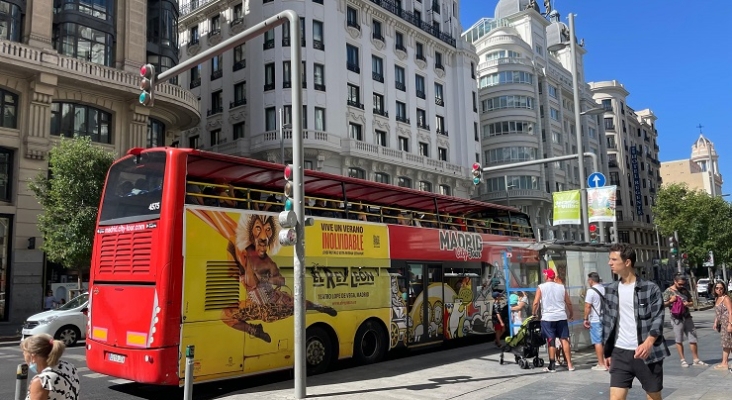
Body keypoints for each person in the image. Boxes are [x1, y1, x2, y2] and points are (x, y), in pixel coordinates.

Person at [602, 243, 669, 400]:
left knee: (653, 396)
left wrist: (648, 343)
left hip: (646, 353)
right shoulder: (611, 289)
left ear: (627, 262)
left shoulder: (650, 289)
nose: (609, 263)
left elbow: (658, 318)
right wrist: (608, 351)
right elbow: (608, 322)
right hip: (620, 353)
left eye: (613, 259)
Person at [532, 268, 574, 372]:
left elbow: (536, 302)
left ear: (546, 276)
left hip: (548, 318)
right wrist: (571, 313)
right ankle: (570, 365)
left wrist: (534, 313)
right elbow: (568, 302)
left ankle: (552, 366)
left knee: (551, 341)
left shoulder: (541, 287)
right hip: (561, 317)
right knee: (564, 339)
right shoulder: (561, 287)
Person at [663, 272, 707, 367]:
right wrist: (670, 301)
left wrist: (688, 304)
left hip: (687, 317)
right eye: (680, 284)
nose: (681, 286)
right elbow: (662, 304)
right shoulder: (668, 291)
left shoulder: (684, 290)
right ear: (675, 281)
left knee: (693, 338)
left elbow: (692, 302)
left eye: (683, 284)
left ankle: (696, 359)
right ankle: (682, 360)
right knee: (679, 339)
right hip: (676, 319)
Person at [21, 333, 80, 400]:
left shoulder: (41, 381)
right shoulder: (68, 366)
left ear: (33, 356)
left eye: (24, 352)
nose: (24, 356)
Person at [583, 272, 607, 371]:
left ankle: (601, 364)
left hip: (595, 319)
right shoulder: (604, 288)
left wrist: (585, 318)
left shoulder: (591, 291)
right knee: (605, 341)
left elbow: (588, 306)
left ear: (591, 280)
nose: (588, 282)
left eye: (588, 280)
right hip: (605, 318)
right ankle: (606, 361)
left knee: (597, 341)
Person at [712, 281, 732, 371]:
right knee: (726, 343)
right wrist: (715, 322)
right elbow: (718, 313)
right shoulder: (717, 298)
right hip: (722, 324)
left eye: (721, 288)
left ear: (724, 289)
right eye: (717, 288)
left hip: (727, 323)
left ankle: (724, 363)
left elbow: (731, 312)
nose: (719, 290)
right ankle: (724, 362)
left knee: (727, 343)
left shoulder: (726, 298)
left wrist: (730, 324)